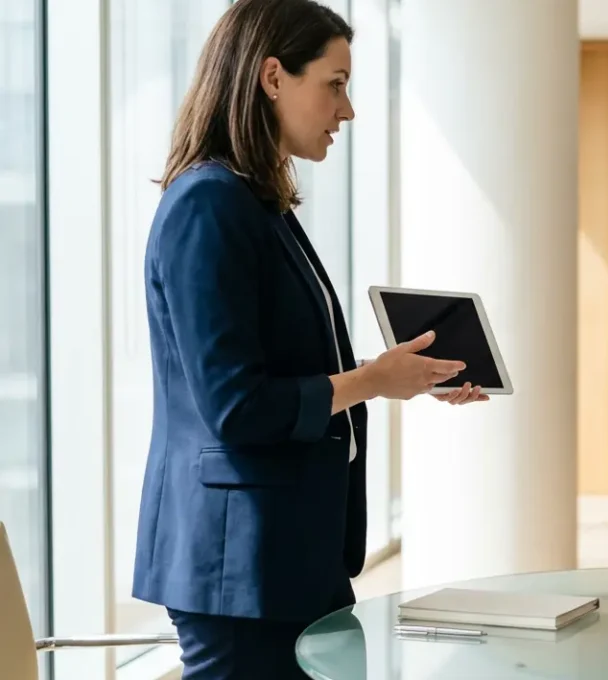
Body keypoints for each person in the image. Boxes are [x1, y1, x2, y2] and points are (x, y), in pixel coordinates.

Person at [131, 1, 485, 677]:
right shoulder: (209, 204)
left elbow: (274, 372)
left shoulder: (256, 205)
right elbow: (236, 407)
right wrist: (370, 381)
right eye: (335, 84)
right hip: (239, 566)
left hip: (286, 554)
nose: (346, 110)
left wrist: (396, 376)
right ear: (272, 77)